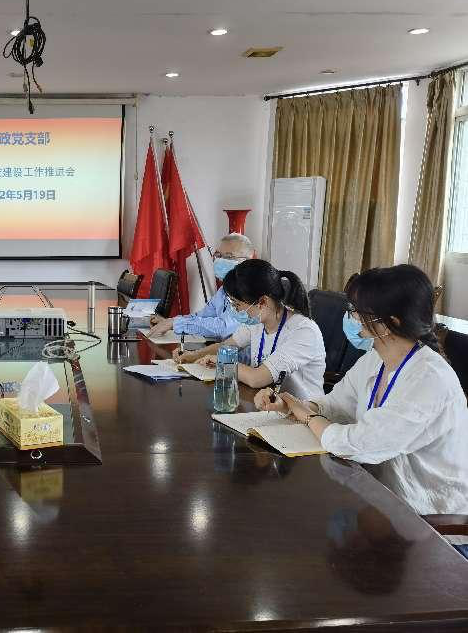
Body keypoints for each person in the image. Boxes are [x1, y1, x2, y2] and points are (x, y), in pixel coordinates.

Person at [256, 264, 468, 557]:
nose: (352, 318)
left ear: (389, 323)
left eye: (358, 312)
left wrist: (307, 416)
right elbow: (336, 404)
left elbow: (357, 443)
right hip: (380, 501)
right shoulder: (377, 358)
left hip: (429, 525)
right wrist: (294, 405)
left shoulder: (430, 379)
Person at [173, 259, 325, 399]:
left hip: (302, 412)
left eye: (237, 305)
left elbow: (256, 378)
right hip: (266, 403)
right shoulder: (258, 321)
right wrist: (193, 355)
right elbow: (226, 347)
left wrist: (223, 362)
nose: (235, 310)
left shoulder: (304, 331)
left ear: (262, 302)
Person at [148, 233, 255, 340]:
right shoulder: (223, 290)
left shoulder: (249, 290)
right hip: (221, 346)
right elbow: (202, 316)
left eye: (228, 256)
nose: (220, 260)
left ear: (246, 262)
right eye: (218, 255)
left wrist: (175, 323)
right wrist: (170, 321)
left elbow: (224, 327)